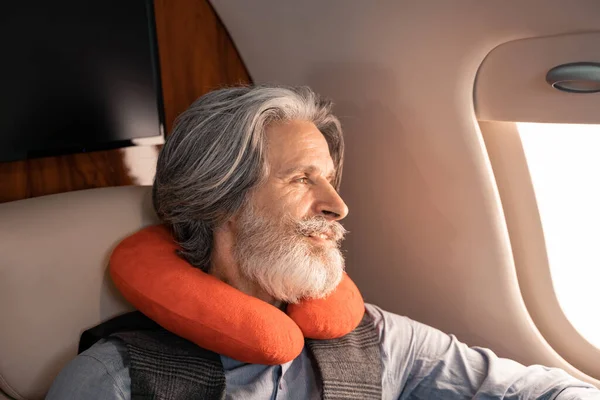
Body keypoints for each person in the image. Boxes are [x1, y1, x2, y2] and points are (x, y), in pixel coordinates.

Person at [47, 85, 600, 399]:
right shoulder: (113, 383)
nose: (338, 206)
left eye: (331, 179)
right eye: (301, 179)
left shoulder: (377, 340)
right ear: (222, 201)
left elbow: (531, 391)